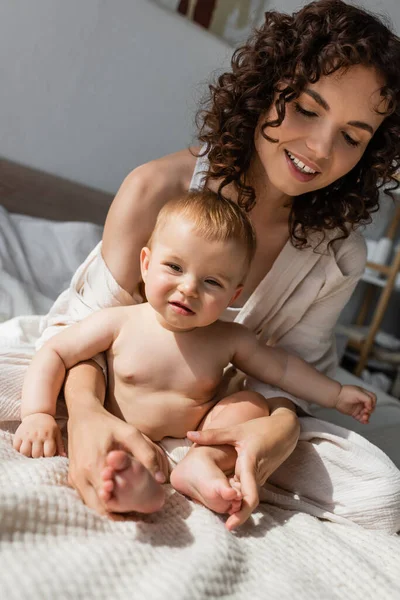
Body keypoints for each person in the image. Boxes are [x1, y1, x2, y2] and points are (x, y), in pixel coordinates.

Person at [40, 0, 400, 530]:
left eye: (351, 137)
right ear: (265, 90)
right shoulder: (157, 189)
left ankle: (202, 464)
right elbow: (77, 337)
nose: (320, 149)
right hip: (110, 387)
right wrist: (89, 417)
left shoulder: (338, 256)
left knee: (381, 494)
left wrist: (276, 430)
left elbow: (289, 376)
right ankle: (122, 447)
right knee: (22, 376)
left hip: (224, 418)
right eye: (305, 108)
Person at [15, 191, 376, 530]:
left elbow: (282, 368)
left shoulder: (230, 338)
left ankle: (201, 466)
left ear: (234, 294)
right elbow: (56, 351)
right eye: (174, 267)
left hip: (194, 441)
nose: (189, 288)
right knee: (125, 467)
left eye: (211, 282)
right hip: (122, 430)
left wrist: (336, 394)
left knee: (250, 402)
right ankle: (137, 487)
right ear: (145, 263)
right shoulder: (120, 321)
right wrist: (39, 414)